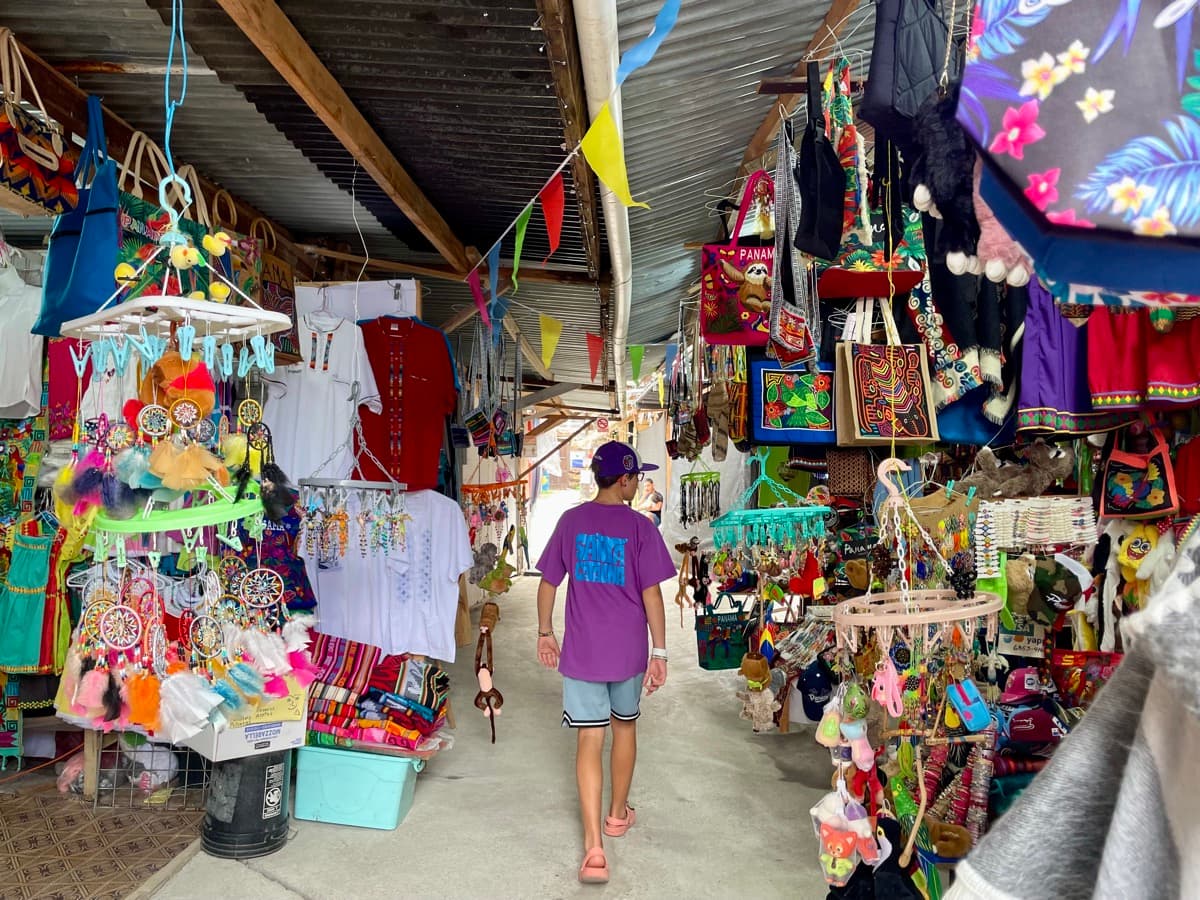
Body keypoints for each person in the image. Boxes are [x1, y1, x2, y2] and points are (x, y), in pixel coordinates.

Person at [535, 441, 677, 885]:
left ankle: (594, 846)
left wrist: (544, 632)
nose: (638, 485)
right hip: (628, 654)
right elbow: (653, 594)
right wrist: (659, 652)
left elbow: (548, 582)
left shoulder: (571, 521)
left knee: (589, 741)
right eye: (636, 478)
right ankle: (617, 815)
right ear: (624, 480)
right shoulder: (640, 528)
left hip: (583, 656)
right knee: (625, 728)